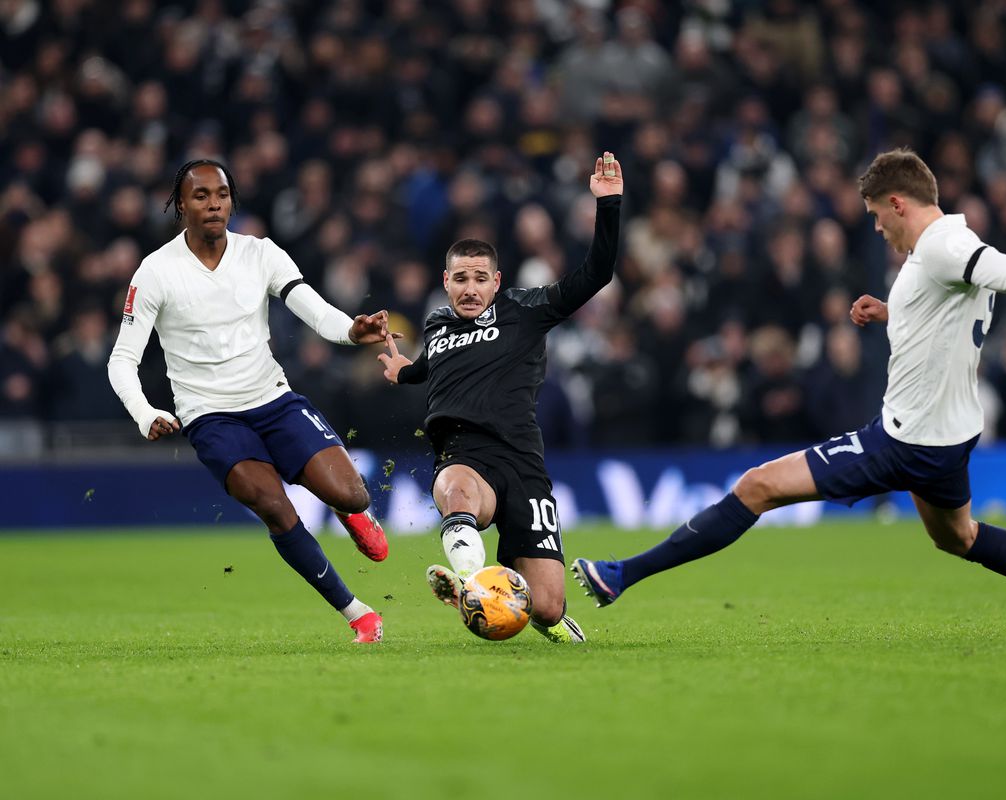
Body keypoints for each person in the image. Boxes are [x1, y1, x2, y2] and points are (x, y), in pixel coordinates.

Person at [573, 148, 1006, 638]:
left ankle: (620, 574)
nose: (878, 227)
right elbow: (951, 306)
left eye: (879, 215)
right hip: (952, 436)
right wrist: (893, 312)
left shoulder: (942, 247)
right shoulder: (946, 244)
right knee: (960, 537)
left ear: (899, 202)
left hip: (905, 442)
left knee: (756, 487)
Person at [108, 159, 393, 644]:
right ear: (181, 205)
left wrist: (351, 330)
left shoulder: (260, 253)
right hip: (211, 416)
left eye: (221, 194)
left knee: (351, 493)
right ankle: (359, 613)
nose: (213, 203)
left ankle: (352, 512)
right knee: (275, 508)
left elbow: (315, 310)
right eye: (201, 196)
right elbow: (121, 360)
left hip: (273, 398)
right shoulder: (155, 271)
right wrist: (147, 412)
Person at [377, 152, 624, 643]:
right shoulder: (437, 326)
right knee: (457, 493)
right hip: (464, 453)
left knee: (548, 607)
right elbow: (432, 365)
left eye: (479, 278)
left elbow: (595, 273)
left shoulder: (526, 310)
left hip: (523, 461)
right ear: (446, 282)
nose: (470, 289)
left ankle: (522, 603)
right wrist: (406, 373)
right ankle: (472, 583)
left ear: (496, 281)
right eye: (460, 279)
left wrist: (609, 206)